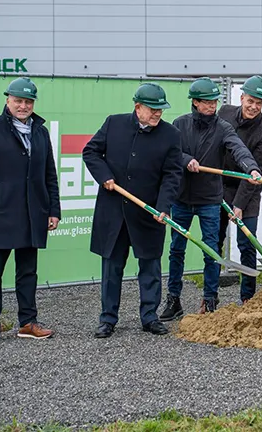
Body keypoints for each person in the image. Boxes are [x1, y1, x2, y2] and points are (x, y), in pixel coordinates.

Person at [0, 77, 60, 344]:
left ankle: (28, 322)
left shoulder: (40, 132)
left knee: (28, 271)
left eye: (28, 101)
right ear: (8, 100)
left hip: (34, 214)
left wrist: (54, 210)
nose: (23, 106)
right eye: (18, 100)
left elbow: (49, 175)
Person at [83, 83, 182, 338]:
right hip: (114, 211)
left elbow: (172, 174)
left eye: (161, 109)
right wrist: (104, 176)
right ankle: (107, 319)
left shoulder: (170, 135)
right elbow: (90, 151)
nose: (158, 114)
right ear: (137, 107)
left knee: (150, 266)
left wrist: (163, 207)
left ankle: (149, 317)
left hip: (148, 213)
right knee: (112, 267)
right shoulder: (113, 124)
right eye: (153, 109)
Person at [160, 78, 261, 321]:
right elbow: (173, 153)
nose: (211, 106)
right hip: (182, 198)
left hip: (210, 199)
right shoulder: (179, 125)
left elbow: (238, 149)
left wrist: (251, 169)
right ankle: (174, 299)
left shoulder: (223, 127)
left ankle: (210, 299)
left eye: (214, 101)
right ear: (195, 102)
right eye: (206, 102)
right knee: (176, 249)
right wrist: (186, 160)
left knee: (212, 251)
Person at [217, 75, 262, 303]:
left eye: (259, 103)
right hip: (219, 187)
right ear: (242, 97)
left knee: (247, 245)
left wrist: (239, 205)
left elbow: (255, 172)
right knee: (215, 241)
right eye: (250, 101)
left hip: (248, 192)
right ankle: (209, 298)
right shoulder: (224, 114)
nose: (253, 107)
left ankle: (248, 298)